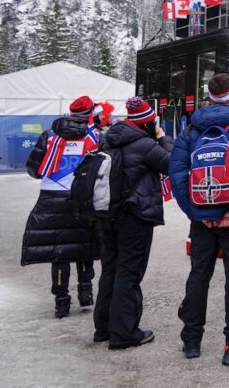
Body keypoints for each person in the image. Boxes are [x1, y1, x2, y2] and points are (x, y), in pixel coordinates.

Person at [170, 73, 229, 366]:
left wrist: (197, 214)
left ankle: (191, 341)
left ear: (208, 97)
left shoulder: (190, 130)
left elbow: (177, 175)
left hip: (201, 219)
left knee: (199, 275)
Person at [93, 97, 173, 349]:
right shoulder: (145, 145)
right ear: (149, 122)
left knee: (110, 269)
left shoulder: (109, 138)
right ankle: (124, 333)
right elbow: (172, 163)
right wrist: (163, 138)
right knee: (129, 272)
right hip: (134, 217)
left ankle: (103, 327)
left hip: (107, 214)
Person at [21, 95, 103, 319]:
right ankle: (85, 290)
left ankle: (61, 300)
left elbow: (34, 169)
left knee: (60, 250)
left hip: (52, 196)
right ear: (90, 114)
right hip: (83, 196)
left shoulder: (48, 136)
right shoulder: (97, 136)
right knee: (83, 242)